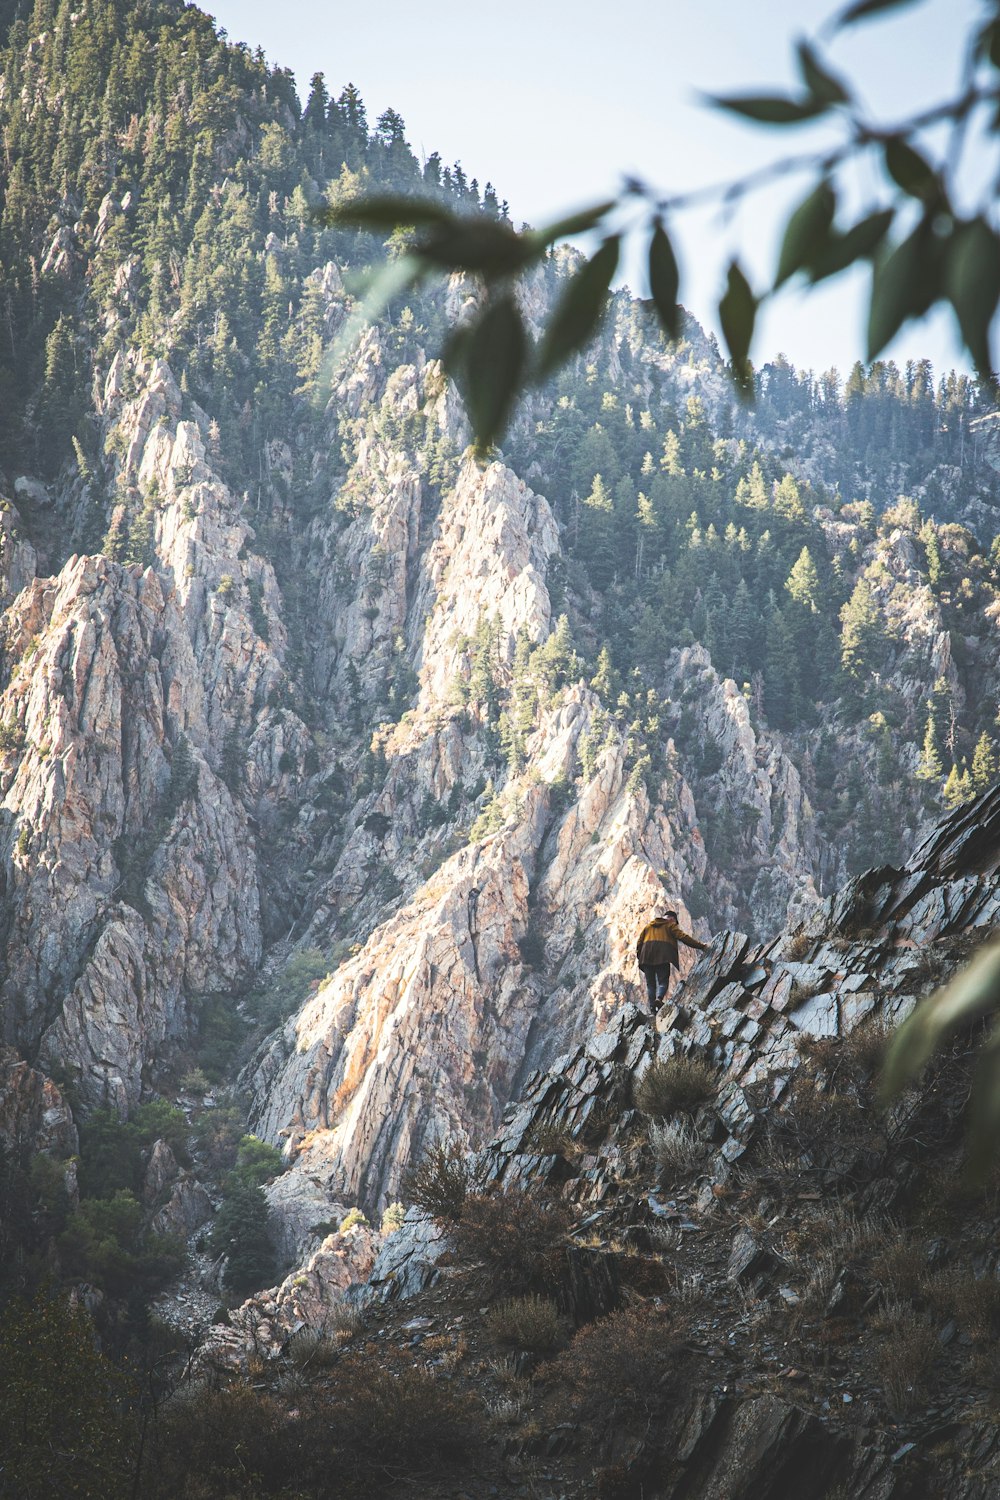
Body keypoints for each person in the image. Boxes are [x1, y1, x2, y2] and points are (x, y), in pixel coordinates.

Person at [635, 908, 709, 1018]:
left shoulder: (648, 927)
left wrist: (641, 957)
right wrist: (701, 946)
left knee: (650, 985)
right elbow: (683, 937)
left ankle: (652, 1010)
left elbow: (639, 944)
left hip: (646, 958)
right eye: (675, 922)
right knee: (663, 981)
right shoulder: (670, 925)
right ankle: (659, 999)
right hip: (662, 957)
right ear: (671, 919)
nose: (675, 924)